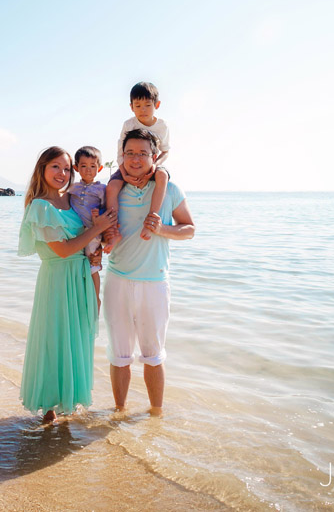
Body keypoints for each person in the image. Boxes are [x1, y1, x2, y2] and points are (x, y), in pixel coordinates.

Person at [18, 146, 116, 423]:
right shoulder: (40, 206)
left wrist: (96, 248)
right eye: (55, 167)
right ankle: (49, 411)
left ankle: (67, 408)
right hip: (58, 281)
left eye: (65, 168)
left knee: (77, 341)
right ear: (42, 170)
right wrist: (97, 229)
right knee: (55, 340)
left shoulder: (71, 201)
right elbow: (61, 250)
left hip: (81, 277)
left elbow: (84, 239)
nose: (62, 174)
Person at [103, 128, 194, 416]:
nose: (135, 159)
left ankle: (156, 417)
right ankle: (119, 412)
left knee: (154, 356)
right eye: (129, 153)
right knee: (119, 355)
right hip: (117, 280)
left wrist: (162, 229)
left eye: (142, 153)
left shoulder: (169, 189)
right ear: (122, 157)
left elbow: (189, 229)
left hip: (155, 283)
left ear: (154, 156)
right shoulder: (115, 190)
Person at [104, 82, 171, 250]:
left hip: (154, 163)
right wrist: (124, 173)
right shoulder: (129, 125)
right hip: (127, 166)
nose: (143, 110)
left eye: (148, 105)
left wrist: (155, 166)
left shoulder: (162, 126)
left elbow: (166, 151)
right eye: (138, 105)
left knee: (162, 176)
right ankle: (113, 229)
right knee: (112, 186)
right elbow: (121, 151)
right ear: (131, 107)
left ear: (157, 105)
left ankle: (152, 219)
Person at [67, 146, 107, 308]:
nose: (88, 170)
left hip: (93, 233)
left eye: (93, 166)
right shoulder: (72, 188)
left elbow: (107, 209)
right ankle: (77, 298)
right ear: (76, 168)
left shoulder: (102, 189)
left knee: (92, 266)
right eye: (83, 166)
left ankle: (96, 298)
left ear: (100, 168)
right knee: (76, 264)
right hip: (76, 233)